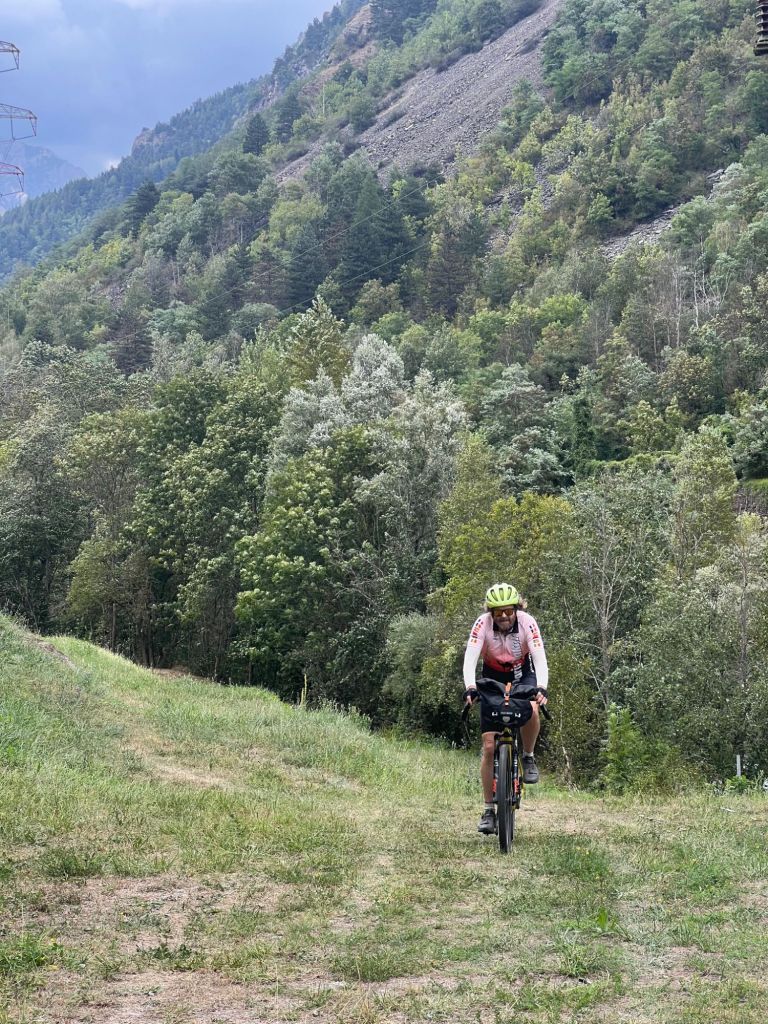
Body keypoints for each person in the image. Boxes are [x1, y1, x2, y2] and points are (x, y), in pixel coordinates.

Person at [463, 582, 549, 835]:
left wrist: (542, 687)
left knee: (532, 708)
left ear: (516, 609)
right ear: (490, 612)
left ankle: (528, 756)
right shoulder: (482, 624)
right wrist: (470, 687)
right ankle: (489, 810)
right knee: (489, 747)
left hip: (523, 674)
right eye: (498, 612)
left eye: (509, 611)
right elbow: (470, 658)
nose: (504, 616)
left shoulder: (527, 623)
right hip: (492, 676)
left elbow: (540, 658)